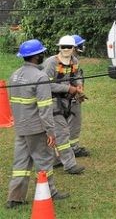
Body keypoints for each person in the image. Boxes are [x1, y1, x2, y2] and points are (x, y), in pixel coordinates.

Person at [6, 39, 70, 209]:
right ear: (36, 57)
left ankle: (15, 198)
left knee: (20, 163)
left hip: (21, 127)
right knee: (44, 161)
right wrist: (50, 132)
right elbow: (45, 109)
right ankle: (50, 192)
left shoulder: (14, 75)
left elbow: (12, 103)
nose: (43, 55)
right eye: (41, 53)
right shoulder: (40, 77)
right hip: (37, 128)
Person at [42, 36, 86, 175]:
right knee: (62, 133)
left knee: (67, 130)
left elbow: (77, 75)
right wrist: (68, 89)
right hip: (53, 102)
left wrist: (79, 87)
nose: (66, 49)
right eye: (63, 47)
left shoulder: (74, 61)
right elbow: (45, 84)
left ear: (74, 48)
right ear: (59, 48)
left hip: (69, 101)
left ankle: (55, 160)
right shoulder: (51, 63)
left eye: (69, 46)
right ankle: (70, 165)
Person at [68, 35, 90, 158]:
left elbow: (77, 78)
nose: (83, 47)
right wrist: (76, 93)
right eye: (80, 45)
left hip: (71, 96)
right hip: (71, 99)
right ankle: (73, 149)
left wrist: (80, 90)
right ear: (74, 48)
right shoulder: (69, 61)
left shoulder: (72, 60)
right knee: (74, 124)